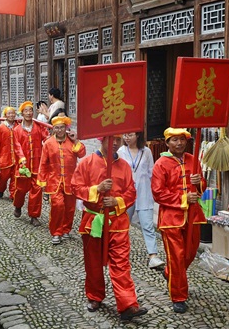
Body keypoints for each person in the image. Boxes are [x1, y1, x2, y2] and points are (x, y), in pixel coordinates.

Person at [71, 135, 148, 321]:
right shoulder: (87, 162)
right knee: (93, 262)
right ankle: (95, 296)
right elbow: (75, 187)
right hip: (94, 221)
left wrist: (116, 201)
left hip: (118, 223)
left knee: (121, 264)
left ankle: (128, 304)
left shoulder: (124, 166)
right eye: (111, 139)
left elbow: (131, 192)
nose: (115, 143)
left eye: (119, 140)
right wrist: (96, 189)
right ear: (102, 140)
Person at [151, 127, 206, 314]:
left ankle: (170, 273)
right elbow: (158, 193)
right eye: (174, 140)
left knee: (190, 253)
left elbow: (202, 186)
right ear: (167, 143)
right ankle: (179, 296)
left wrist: (198, 183)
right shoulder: (161, 164)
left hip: (193, 216)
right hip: (171, 219)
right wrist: (183, 199)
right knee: (176, 257)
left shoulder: (193, 159)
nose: (179, 143)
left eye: (182, 139)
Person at [118, 132, 165, 269]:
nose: (126, 137)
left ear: (138, 136)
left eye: (130, 135)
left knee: (148, 225)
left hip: (144, 192)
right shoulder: (121, 151)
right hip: (126, 193)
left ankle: (153, 256)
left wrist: (156, 191)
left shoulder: (147, 152)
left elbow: (152, 172)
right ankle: (120, 252)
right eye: (125, 135)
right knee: (122, 224)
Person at [37, 116, 85, 243]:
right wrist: (42, 182)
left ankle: (66, 230)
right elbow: (43, 163)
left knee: (69, 208)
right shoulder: (48, 143)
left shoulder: (71, 141)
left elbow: (82, 153)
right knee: (58, 205)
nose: (59, 130)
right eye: (57, 128)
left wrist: (76, 141)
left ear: (66, 128)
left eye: (62, 128)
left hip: (71, 181)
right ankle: (56, 232)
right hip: (54, 181)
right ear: (53, 129)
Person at [13, 101, 49, 227]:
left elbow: (47, 139)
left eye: (30, 110)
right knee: (21, 190)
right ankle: (18, 205)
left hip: (37, 165)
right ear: (22, 113)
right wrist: (22, 159)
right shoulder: (17, 130)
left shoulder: (39, 127)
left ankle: (34, 215)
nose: (28, 113)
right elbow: (16, 147)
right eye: (26, 111)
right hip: (24, 166)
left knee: (37, 191)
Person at [0, 107, 25, 200]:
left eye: (13, 113)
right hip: (4, 157)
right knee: (3, 177)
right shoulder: (1, 127)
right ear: (5, 115)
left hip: (16, 157)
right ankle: (0, 190)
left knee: (15, 178)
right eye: (9, 113)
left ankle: (13, 195)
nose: (11, 115)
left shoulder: (18, 126)